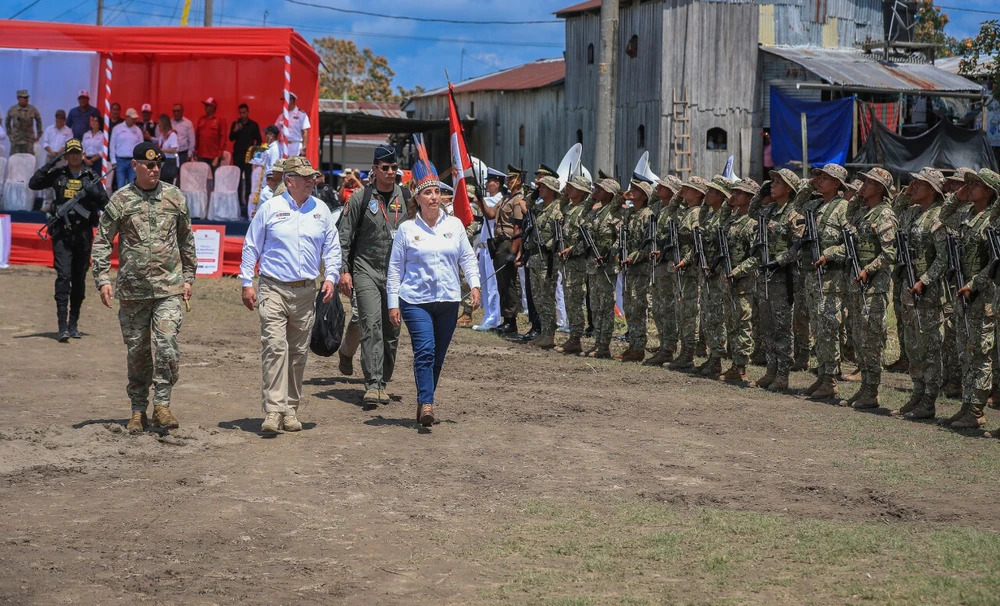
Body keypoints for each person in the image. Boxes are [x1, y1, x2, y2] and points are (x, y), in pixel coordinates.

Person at [91, 141, 197, 433]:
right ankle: (138, 409)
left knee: (167, 344)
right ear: (135, 165)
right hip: (133, 291)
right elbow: (102, 240)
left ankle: (162, 405)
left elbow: (186, 239)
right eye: (149, 165)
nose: (154, 170)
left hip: (169, 288)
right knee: (137, 350)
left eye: (158, 165)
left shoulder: (174, 197)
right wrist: (102, 279)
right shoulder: (121, 200)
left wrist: (189, 277)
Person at [240, 156, 341, 433]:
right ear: (289, 180)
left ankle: (290, 409)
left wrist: (331, 277)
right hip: (273, 287)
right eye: (305, 177)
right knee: (275, 347)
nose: (311, 181)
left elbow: (332, 247)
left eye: (312, 177)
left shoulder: (321, 210)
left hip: (306, 291)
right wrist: (246, 282)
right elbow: (251, 246)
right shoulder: (270, 208)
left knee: (297, 352)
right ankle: (273, 411)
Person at [387, 145, 480, 426]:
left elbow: (467, 258)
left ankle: (423, 399)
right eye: (428, 192)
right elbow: (395, 269)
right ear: (417, 197)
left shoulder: (454, 225)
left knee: (437, 357)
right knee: (425, 350)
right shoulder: (407, 229)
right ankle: (428, 403)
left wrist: (475, 285)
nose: (434, 197)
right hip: (415, 300)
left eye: (437, 192)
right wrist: (393, 303)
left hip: (448, 300)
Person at [338, 144, 411, 405]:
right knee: (371, 324)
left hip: (396, 275)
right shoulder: (360, 198)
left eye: (394, 167)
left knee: (392, 331)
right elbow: (344, 237)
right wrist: (344, 271)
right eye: (385, 167)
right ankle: (373, 382)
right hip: (365, 269)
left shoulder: (407, 198)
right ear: (374, 169)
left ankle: (384, 380)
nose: (390, 172)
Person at [29, 138, 109, 341]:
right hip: (62, 235)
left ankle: (73, 324)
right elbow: (34, 183)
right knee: (64, 277)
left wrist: (95, 193)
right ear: (65, 156)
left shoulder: (91, 176)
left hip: (83, 235)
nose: (74, 156)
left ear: (82, 154)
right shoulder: (58, 174)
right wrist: (51, 162)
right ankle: (62, 326)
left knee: (79, 279)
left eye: (77, 152)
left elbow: (106, 204)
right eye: (70, 153)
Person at [837, 167, 897, 409]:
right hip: (857, 284)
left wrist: (868, 270)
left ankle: (872, 390)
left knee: (871, 339)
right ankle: (864, 389)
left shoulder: (885, 215)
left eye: (869, 182)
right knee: (859, 337)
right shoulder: (863, 211)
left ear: (880, 188)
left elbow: (890, 253)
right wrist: (858, 196)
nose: (863, 185)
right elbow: (847, 215)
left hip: (873, 286)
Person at [890, 168, 946, 419]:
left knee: (929, 347)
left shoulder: (938, 216)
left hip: (927, 292)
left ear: (932, 190)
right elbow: (895, 211)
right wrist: (907, 192)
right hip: (907, 286)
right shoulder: (912, 212)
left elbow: (943, 258)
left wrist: (925, 280)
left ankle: (929, 400)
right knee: (912, 344)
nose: (913, 185)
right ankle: (917, 393)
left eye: (919, 183)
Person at [947, 169, 1000, 430]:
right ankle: (967, 405)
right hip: (963, 293)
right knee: (965, 353)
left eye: (975, 184)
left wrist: (973, 284)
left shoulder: (994, 219)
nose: (969, 187)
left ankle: (977, 409)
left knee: (979, 354)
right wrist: (958, 196)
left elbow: (994, 261)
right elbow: (944, 216)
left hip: (982, 295)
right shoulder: (966, 214)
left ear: (989, 191)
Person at [802, 164, 850, 400]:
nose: (819, 181)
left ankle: (831, 379)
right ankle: (822, 375)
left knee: (829, 328)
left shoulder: (845, 208)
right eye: (818, 177)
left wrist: (829, 254)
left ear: (837, 183)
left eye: (825, 178)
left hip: (832, 278)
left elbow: (849, 245)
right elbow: (796, 207)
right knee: (818, 328)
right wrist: (808, 186)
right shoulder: (815, 205)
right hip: (813, 278)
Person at [754, 169, 804, 391]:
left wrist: (779, 261)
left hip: (783, 276)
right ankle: (770, 370)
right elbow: (752, 212)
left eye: (777, 183)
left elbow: (798, 246)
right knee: (766, 325)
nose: (772, 185)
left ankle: (783, 374)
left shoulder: (794, 214)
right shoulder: (769, 210)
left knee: (782, 327)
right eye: (772, 182)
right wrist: (760, 193)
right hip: (765, 275)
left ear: (789, 189)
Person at [720, 178, 760, 383]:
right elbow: (720, 225)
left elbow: (757, 257)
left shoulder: (752, 224)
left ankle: (741, 366)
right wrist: (727, 206)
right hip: (728, 280)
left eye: (739, 193)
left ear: (750, 198)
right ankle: (735, 363)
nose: (734, 195)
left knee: (743, 323)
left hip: (743, 281)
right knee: (731, 322)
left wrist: (738, 271)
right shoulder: (732, 220)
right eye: (733, 192)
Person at [477, 165, 525, 336]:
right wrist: (480, 199)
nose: (509, 181)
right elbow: (490, 214)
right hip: (499, 243)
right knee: (501, 283)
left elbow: (518, 227)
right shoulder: (506, 199)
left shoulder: (518, 200)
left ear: (519, 181)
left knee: (508, 283)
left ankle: (511, 321)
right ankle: (506, 319)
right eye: (509, 178)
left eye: (512, 179)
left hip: (508, 242)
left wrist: (514, 251)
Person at [669, 176, 710, 370]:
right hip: (682, 269)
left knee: (690, 312)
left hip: (691, 269)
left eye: (688, 188)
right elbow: (670, 211)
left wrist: (685, 260)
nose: (683, 190)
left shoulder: (698, 214)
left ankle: (688, 354)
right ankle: (684, 351)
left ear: (699, 194)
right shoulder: (686, 211)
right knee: (682, 311)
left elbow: (697, 244)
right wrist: (678, 195)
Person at [581, 175, 623, 358]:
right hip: (593, 265)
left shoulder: (616, 214)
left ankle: (604, 345)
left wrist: (609, 254)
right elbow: (582, 218)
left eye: (600, 189)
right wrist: (591, 200)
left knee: (606, 307)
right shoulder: (595, 212)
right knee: (595, 306)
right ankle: (597, 342)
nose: (595, 191)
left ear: (609, 193)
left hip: (607, 265)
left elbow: (620, 239)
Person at [521, 175, 563, 348]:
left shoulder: (558, 209)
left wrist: (549, 245)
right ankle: (544, 332)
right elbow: (526, 205)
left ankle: (549, 334)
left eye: (544, 187)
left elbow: (559, 234)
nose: (540, 190)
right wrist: (533, 193)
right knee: (537, 298)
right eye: (539, 187)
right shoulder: (539, 207)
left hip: (547, 258)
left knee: (547, 297)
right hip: (535, 258)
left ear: (552, 190)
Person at [646, 175, 683, 365]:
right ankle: (664, 345)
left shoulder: (677, 212)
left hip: (669, 263)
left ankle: (668, 348)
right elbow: (650, 200)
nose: (658, 188)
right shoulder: (658, 208)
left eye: (663, 186)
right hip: (657, 264)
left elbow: (677, 239)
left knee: (667, 308)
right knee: (658, 308)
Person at [617, 180, 655, 361]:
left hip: (641, 268)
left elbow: (649, 244)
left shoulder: (648, 215)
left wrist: (633, 257)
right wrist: (621, 197)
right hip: (629, 268)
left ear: (644, 195)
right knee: (629, 307)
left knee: (638, 307)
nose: (631, 191)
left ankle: (639, 347)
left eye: (636, 190)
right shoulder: (630, 213)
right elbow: (614, 207)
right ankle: (633, 344)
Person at [554, 173, 592, 354]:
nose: (568, 189)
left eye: (572, 187)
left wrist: (572, 250)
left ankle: (576, 337)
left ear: (582, 192)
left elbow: (587, 240)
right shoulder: (568, 208)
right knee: (569, 299)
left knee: (575, 299)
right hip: (567, 261)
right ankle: (573, 336)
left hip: (577, 261)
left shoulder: (584, 211)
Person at [229, 103, 262, 207]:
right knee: (237, 180)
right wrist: (235, 130)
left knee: (248, 180)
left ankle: (248, 203)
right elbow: (230, 138)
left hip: (249, 156)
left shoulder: (253, 125)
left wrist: (255, 152)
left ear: (248, 112)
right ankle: (238, 203)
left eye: (244, 112)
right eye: (241, 113)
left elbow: (259, 140)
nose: (242, 115)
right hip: (238, 155)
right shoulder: (236, 124)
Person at [109, 108, 144, 191]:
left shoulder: (138, 130)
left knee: (133, 185)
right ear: (127, 117)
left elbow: (141, 146)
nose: (134, 120)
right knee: (120, 185)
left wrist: (140, 160)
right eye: (132, 118)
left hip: (133, 161)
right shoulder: (117, 128)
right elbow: (112, 145)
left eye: (135, 119)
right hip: (120, 160)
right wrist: (113, 160)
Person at [5, 89, 42, 155]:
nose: (26, 99)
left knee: (29, 158)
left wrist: (39, 134)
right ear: (18, 98)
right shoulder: (13, 109)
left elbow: (39, 120)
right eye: (24, 97)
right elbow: (7, 122)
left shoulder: (32, 109)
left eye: (27, 97)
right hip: (16, 139)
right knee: (14, 157)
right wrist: (9, 134)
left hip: (28, 139)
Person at [195, 97, 226, 170]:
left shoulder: (220, 119)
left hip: (214, 156)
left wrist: (220, 152)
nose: (205, 107)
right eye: (205, 105)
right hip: (201, 155)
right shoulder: (201, 119)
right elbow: (197, 135)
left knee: (216, 174)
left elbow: (223, 137)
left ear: (213, 107)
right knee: (201, 174)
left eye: (207, 105)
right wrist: (196, 149)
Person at [276, 92, 310, 157]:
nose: (283, 102)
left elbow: (305, 132)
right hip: (283, 145)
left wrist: (304, 147)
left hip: (295, 145)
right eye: (283, 100)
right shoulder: (282, 115)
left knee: (294, 163)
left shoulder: (301, 115)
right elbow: (275, 129)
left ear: (291, 100)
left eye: (285, 100)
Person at [155, 114, 179, 185]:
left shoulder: (172, 135)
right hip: (162, 161)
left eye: (159, 124)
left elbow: (174, 149)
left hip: (170, 163)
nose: (158, 126)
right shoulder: (162, 135)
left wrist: (161, 150)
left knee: (168, 183)